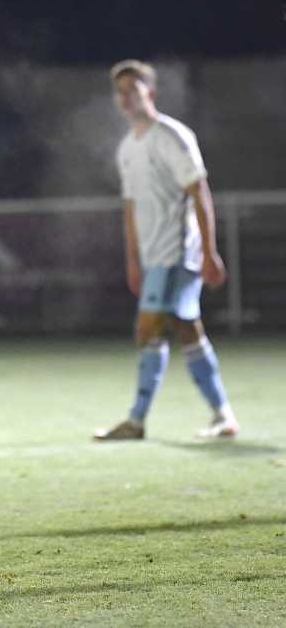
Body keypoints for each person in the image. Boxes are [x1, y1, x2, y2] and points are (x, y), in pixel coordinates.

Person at [93, 60, 238, 441]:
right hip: (154, 256)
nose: (125, 96)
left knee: (147, 329)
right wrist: (133, 262)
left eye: (133, 88)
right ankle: (224, 415)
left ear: (150, 93)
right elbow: (130, 209)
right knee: (188, 330)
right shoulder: (127, 148)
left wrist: (209, 251)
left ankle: (136, 420)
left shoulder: (172, 136)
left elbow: (199, 191)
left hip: (178, 253)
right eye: (120, 90)